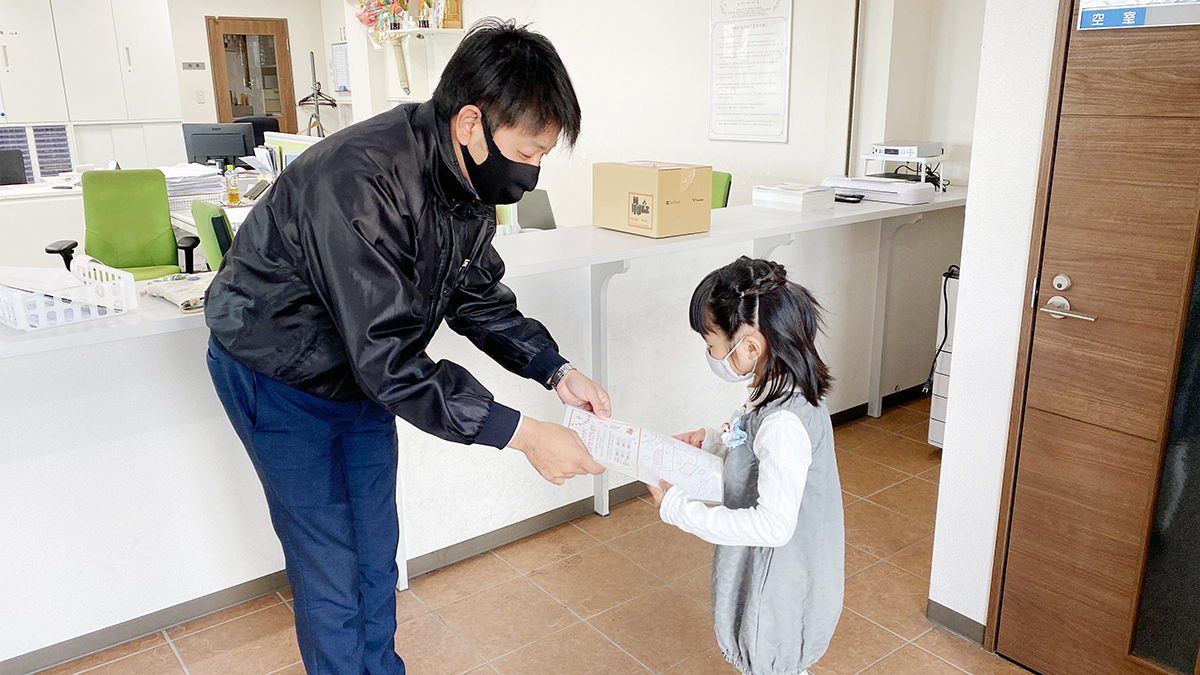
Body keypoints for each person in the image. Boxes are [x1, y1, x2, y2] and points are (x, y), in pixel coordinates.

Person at [203, 20, 608, 675]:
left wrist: (554, 369)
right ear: (471, 122)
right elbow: (390, 360)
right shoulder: (361, 181)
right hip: (276, 370)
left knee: (375, 544)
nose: (531, 172)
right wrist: (525, 434)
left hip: (361, 372)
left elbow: (474, 292)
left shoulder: (468, 181)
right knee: (330, 561)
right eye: (529, 152)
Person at [647, 256, 844, 675]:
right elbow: (757, 456)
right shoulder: (782, 389)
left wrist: (678, 509)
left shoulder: (783, 423)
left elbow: (773, 525)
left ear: (749, 347)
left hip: (781, 580)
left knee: (772, 659)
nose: (711, 354)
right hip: (781, 570)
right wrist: (715, 444)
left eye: (711, 345)